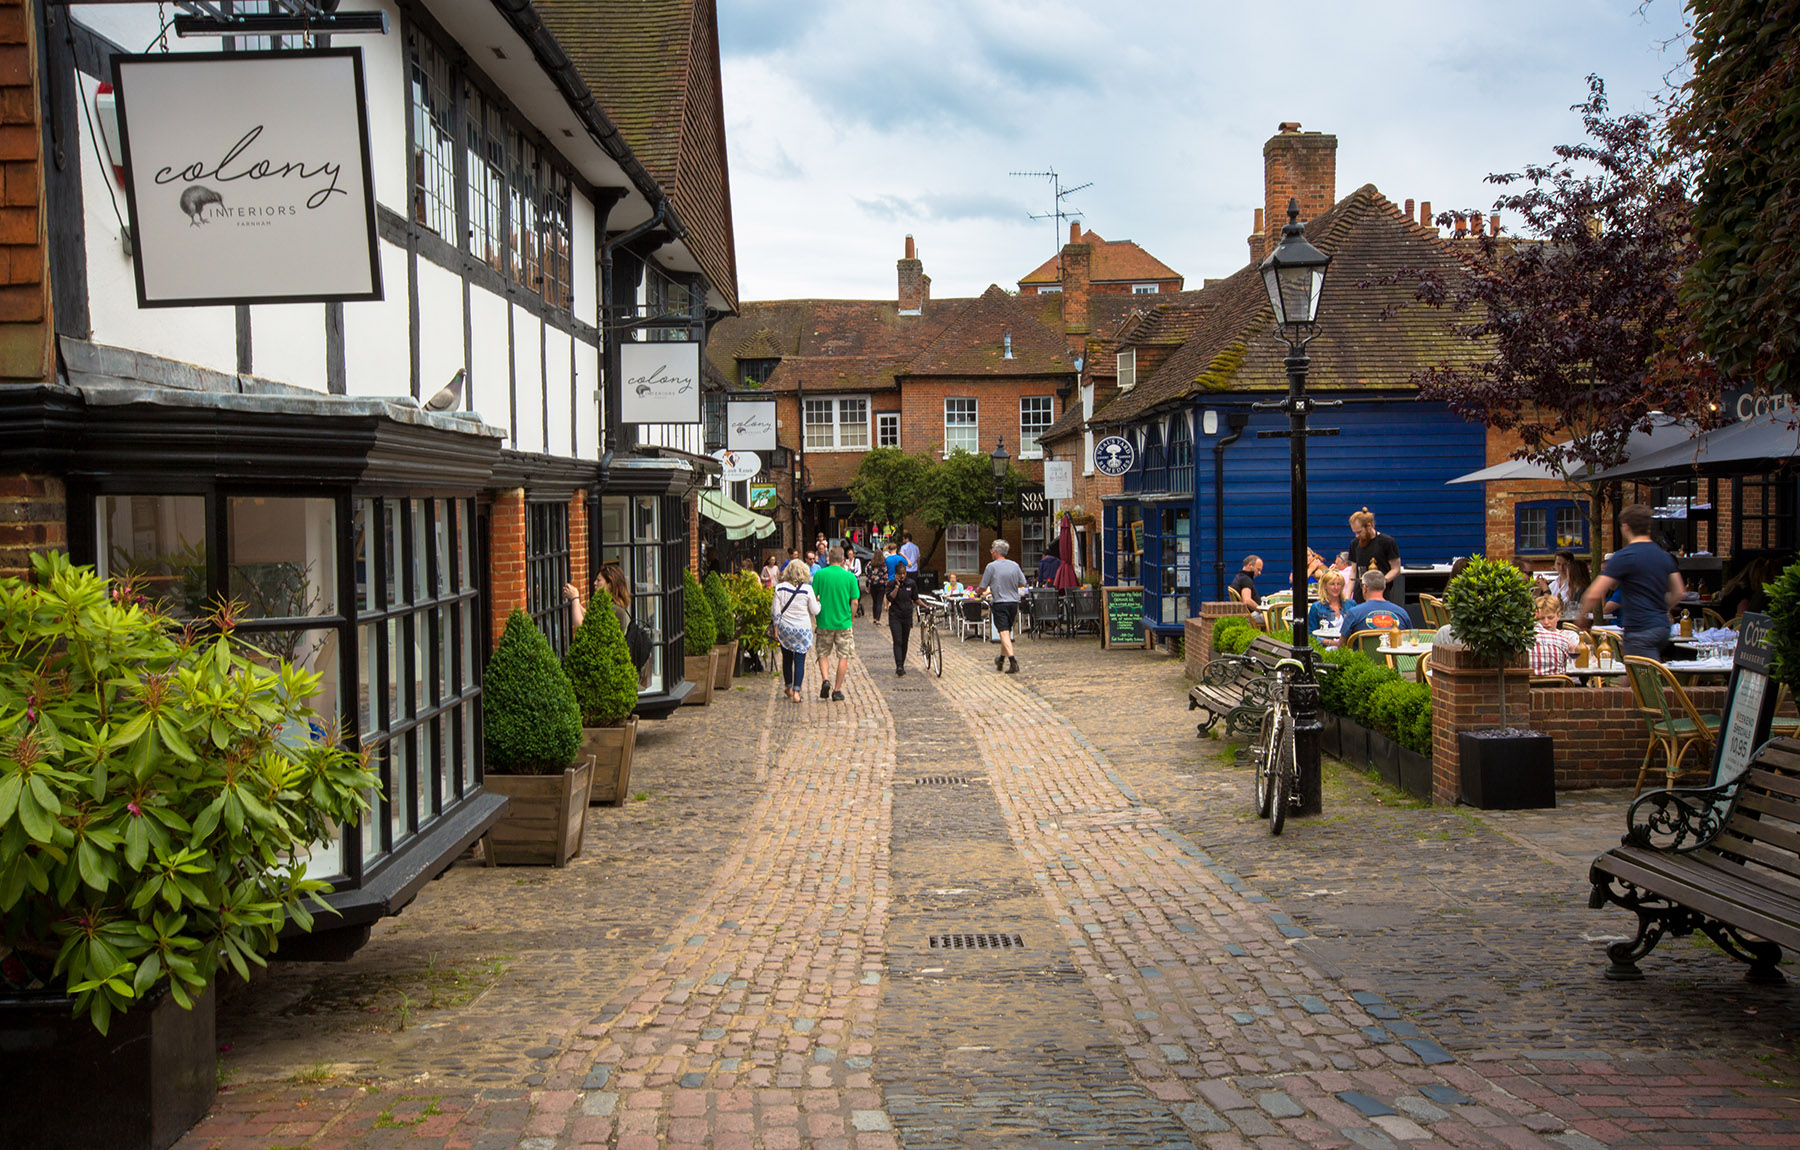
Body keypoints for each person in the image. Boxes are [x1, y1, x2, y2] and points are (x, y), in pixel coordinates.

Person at [1578, 503, 1683, 660]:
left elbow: (1594, 593)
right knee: (1631, 676)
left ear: (1625, 527)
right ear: (1648, 527)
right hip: (1662, 627)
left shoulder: (1624, 557)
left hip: (1639, 628)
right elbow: (1679, 591)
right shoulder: (1664, 556)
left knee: (1642, 679)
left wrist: (1581, 617)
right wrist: (1659, 607)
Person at [811, 546, 860, 701]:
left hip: (824, 621)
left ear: (828, 559)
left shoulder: (820, 574)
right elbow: (855, 602)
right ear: (843, 559)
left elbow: (813, 598)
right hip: (843, 623)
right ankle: (837, 690)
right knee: (843, 656)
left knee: (823, 653)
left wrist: (815, 617)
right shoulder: (850, 577)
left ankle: (826, 680)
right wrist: (850, 618)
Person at [771, 559, 820, 703]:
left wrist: (775, 629)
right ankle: (797, 692)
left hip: (785, 629)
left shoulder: (780, 588)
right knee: (800, 660)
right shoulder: (807, 589)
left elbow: (775, 612)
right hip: (802, 630)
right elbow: (815, 610)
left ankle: (788, 687)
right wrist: (819, 602)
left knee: (787, 659)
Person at [979, 539, 1026, 674]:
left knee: (1004, 633)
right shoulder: (1015, 565)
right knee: (1006, 633)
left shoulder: (991, 567)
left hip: (1000, 603)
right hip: (1013, 603)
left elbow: (983, 586)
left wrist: (977, 594)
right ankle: (1000, 659)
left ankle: (1012, 661)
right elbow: (1022, 583)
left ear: (995, 551)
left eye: (991, 551)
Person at [1348, 510, 1403, 603]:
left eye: (1359, 532)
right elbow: (1353, 571)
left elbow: (1396, 569)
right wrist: (1348, 595)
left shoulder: (1387, 542)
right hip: (1360, 594)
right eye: (1355, 532)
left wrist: (1380, 582)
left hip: (1381, 594)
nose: (1357, 536)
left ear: (1369, 526)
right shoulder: (1354, 544)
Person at [1341, 570, 1408, 639]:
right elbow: (1409, 640)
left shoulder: (1353, 613)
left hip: (1363, 650)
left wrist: (1329, 642)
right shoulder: (1402, 613)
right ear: (1384, 587)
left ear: (1364, 588)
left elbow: (1342, 645)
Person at [1530, 593, 1581, 676]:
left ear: (1558, 616)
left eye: (1550, 618)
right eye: (1542, 618)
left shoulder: (1570, 636)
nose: (1546, 622)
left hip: (1570, 680)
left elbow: (1589, 661)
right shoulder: (1529, 637)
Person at [887, 567, 917, 675]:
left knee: (905, 641)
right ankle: (898, 665)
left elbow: (915, 598)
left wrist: (926, 606)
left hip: (907, 616)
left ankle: (902, 664)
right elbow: (890, 598)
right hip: (895, 616)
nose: (902, 576)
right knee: (898, 640)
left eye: (904, 573)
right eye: (900, 574)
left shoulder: (911, 584)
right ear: (896, 574)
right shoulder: (891, 584)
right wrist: (897, 586)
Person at [1307, 569, 1350, 643]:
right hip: (1327, 647)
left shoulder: (1350, 604)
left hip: (1348, 647)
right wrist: (1330, 643)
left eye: (1339, 584)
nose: (1336, 587)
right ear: (1325, 586)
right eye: (1332, 584)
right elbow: (1310, 635)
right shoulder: (1316, 607)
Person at [1548, 549, 1591, 616]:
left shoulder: (1578, 588)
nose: (1561, 568)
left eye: (1565, 565)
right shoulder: (1552, 585)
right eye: (1558, 564)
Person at [868, 541, 889, 626]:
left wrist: (868, 584)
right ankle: (878, 619)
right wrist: (886, 583)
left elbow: (867, 574)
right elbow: (885, 574)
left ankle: (874, 617)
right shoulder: (883, 564)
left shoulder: (870, 564)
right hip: (881, 585)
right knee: (879, 602)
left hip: (873, 585)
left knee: (874, 601)